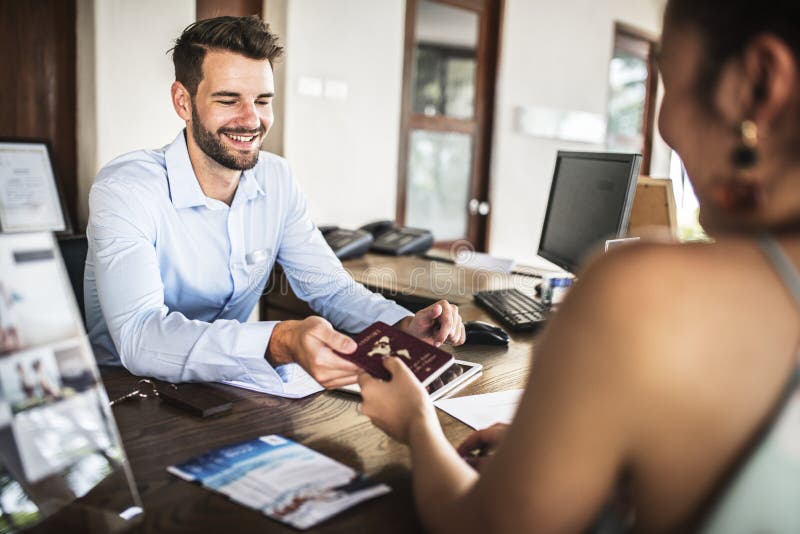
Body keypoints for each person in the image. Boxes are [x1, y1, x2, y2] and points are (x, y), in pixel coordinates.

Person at [359, 1, 800, 532]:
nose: (663, 126)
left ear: (757, 83)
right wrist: (602, 464)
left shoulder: (649, 291)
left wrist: (416, 423)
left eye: (669, 83)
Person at [84, 16, 465, 397]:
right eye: (228, 99)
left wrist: (402, 325)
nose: (252, 120)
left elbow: (331, 289)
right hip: (128, 395)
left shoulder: (277, 179)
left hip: (228, 387)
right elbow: (139, 335)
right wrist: (278, 340)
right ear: (183, 102)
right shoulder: (126, 189)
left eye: (263, 101)